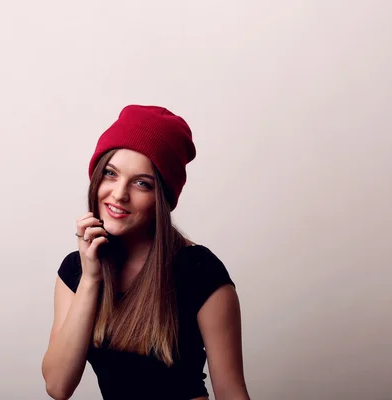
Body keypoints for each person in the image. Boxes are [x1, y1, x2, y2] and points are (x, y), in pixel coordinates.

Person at [41, 105, 250, 400]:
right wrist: (90, 279)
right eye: (111, 174)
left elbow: (231, 392)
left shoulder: (200, 270)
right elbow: (58, 386)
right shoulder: (77, 269)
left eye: (142, 183)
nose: (119, 194)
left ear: (162, 198)